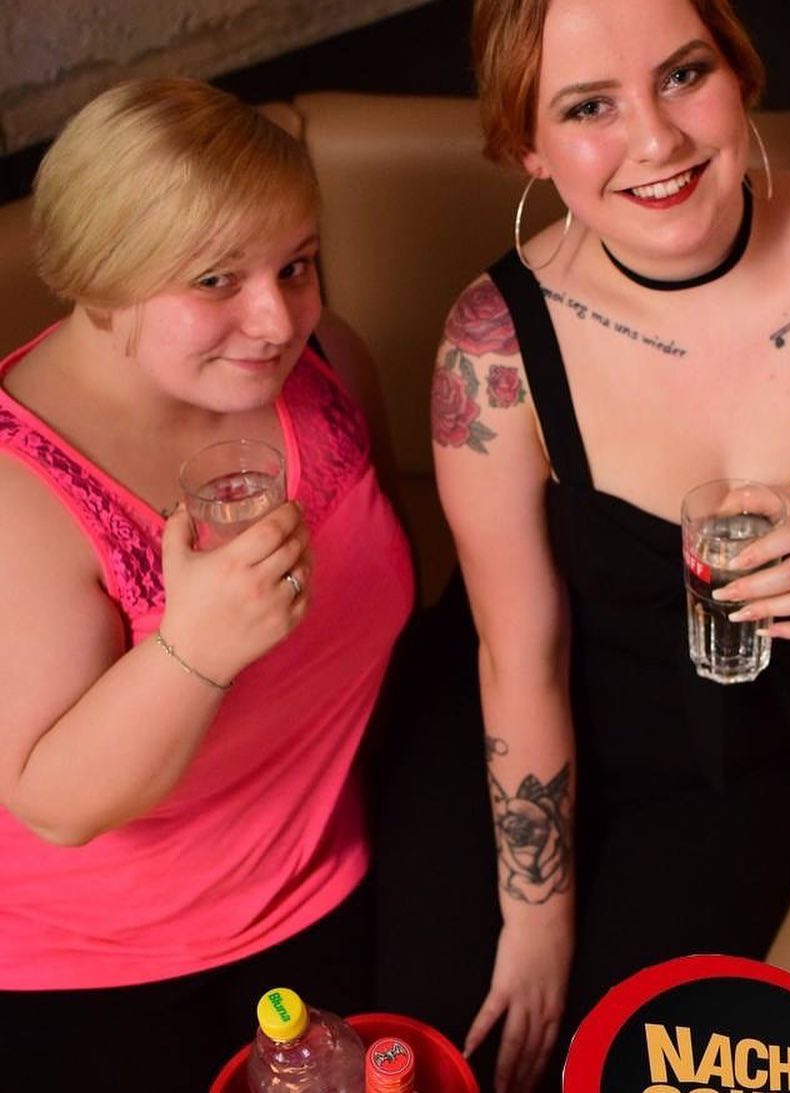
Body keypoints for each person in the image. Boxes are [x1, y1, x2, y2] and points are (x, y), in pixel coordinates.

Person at [373, 1, 790, 1090]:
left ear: (739, 74)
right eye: (587, 107)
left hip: (736, 762)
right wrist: (535, 917)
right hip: (504, 730)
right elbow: (519, 654)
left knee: (617, 1066)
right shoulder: (492, 344)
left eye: (683, 74)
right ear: (527, 147)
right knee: (432, 1051)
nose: (655, 139)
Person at [0, 77, 413, 1091]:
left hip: (330, 890)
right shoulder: (15, 492)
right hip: (105, 970)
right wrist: (197, 650)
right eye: (216, 278)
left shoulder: (325, 361)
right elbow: (53, 804)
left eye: (295, 264)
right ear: (102, 277)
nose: (275, 318)